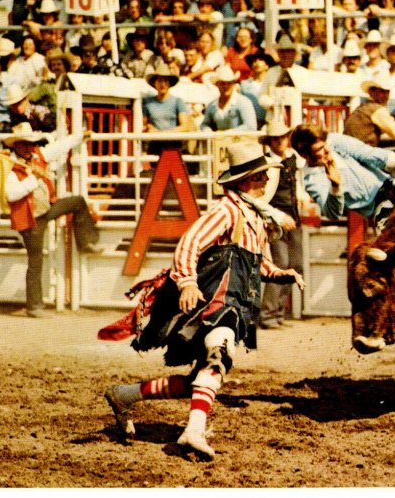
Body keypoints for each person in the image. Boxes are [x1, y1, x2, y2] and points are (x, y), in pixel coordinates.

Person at [103, 142, 304, 458]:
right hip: (215, 303)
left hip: (235, 305)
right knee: (219, 358)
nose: (266, 181)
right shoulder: (226, 211)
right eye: (261, 175)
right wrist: (186, 282)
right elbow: (190, 243)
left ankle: (125, 394)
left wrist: (281, 274)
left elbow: (256, 263)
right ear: (245, 180)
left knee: (200, 378)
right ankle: (193, 431)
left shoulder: (253, 219)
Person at [3, 123, 101, 318]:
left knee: (77, 201)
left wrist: (80, 135)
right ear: (16, 146)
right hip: (30, 219)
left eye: (30, 143)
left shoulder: (39, 155)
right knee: (36, 260)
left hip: (46, 209)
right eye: (23, 144)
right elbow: (11, 195)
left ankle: (85, 241)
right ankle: (34, 306)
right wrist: (34, 179)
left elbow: (60, 147)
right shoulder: (10, 167)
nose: (28, 147)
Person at [290, 123, 395, 224]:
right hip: (379, 209)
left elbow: (368, 153)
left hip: (394, 186)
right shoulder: (312, 179)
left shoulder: (334, 141)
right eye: (319, 149)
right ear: (304, 156)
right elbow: (332, 214)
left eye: (325, 144)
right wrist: (335, 187)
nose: (327, 149)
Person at [258, 120, 306, 329]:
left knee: (295, 264)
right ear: (269, 141)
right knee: (280, 264)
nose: (279, 142)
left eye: (282, 137)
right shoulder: (267, 162)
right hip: (276, 219)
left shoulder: (294, 160)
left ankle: (277, 312)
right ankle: (269, 314)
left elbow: (300, 185)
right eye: (275, 138)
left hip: (293, 216)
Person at [142, 65, 196, 159]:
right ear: (155, 83)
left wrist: (164, 133)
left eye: (165, 81)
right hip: (156, 144)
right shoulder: (148, 103)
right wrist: (150, 129)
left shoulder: (177, 101)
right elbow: (145, 125)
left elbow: (185, 126)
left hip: (173, 143)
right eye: (159, 81)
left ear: (169, 83)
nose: (162, 84)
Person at [344, 72, 395, 148]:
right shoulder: (377, 110)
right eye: (382, 91)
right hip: (362, 151)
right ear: (372, 92)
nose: (386, 96)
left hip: (352, 148)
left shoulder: (364, 107)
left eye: (387, 92)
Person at [258, 34, 309, 124]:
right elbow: (262, 96)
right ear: (278, 53)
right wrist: (271, 104)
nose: (285, 55)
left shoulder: (303, 73)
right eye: (282, 51)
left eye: (288, 51)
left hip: (297, 119)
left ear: (294, 53)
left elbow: (309, 98)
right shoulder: (271, 72)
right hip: (274, 118)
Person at [201, 66, 257, 133]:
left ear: (233, 84)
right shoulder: (212, 105)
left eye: (229, 83)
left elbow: (250, 126)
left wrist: (226, 133)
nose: (226, 86)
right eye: (222, 83)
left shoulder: (243, 102)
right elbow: (204, 124)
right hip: (219, 141)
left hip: (241, 141)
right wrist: (209, 132)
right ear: (217, 85)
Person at [240, 51, 274, 129]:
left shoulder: (272, 83)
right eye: (254, 61)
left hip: (269, 122)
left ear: (267, 66)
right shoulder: (244, 85)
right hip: (251, 123)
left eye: (260, 60)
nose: (257, 63)